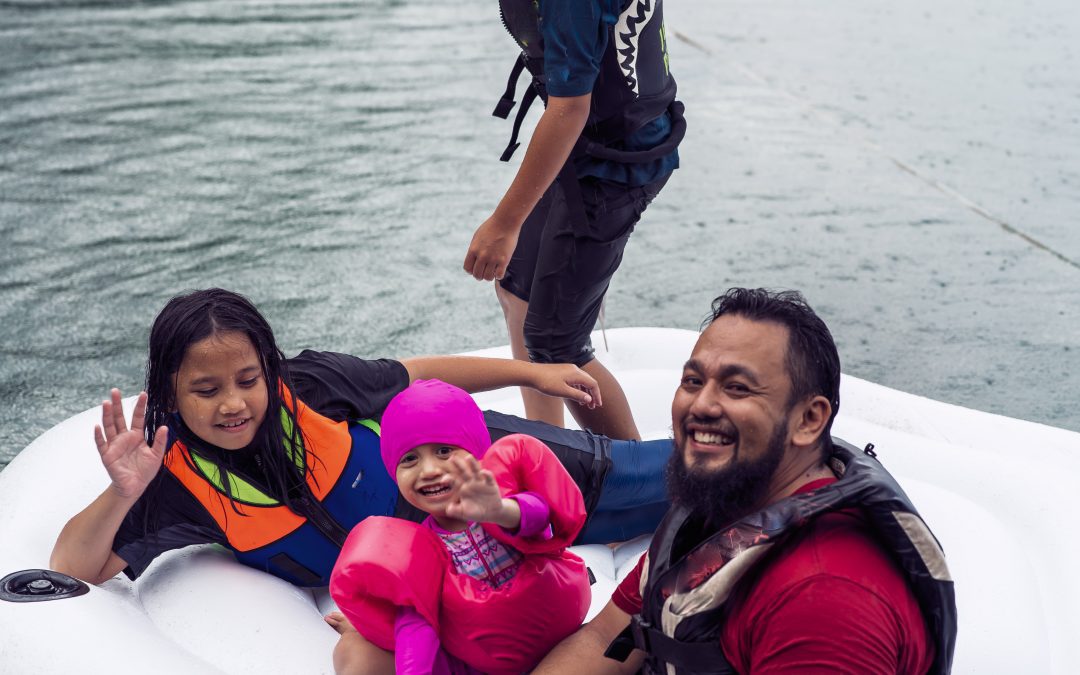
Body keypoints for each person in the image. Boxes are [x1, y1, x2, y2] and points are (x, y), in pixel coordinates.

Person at [49, 288, 670, 588]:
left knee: (661, 479)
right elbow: (73, 569)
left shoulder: (311, 385)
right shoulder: (177, 479)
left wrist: (530, 373)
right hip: (462, 553)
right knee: (661, 505)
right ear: (173, 395)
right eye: (207, 392)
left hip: (493, 471)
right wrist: (123, 492)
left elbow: (416, 374)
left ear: (269, 368)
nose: (234, 404)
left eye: (247, 379)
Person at [533, 288, 958, 675]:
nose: (702, 404)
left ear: (809, 420)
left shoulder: (825, 599)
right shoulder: (719, 505)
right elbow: (604, 638)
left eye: (737, 388)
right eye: (693, 381)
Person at [462, 0, 685, 440]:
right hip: (583, 149)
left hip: (614, 164)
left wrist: (504, 223)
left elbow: (570, 109)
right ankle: (548, 453)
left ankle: (635, 483)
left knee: (556, 343)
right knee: (517, 293)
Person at [327, 379, 590, 675]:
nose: (429, 470)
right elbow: (417, 626)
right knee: (357, 657)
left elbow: (538, 517)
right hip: (482, 662)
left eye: (444, 451)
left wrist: (500, 511)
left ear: (478, 452)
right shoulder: (420, 548)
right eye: (409, 459)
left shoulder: (504, 503)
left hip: (561, 639)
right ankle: (357, 631)